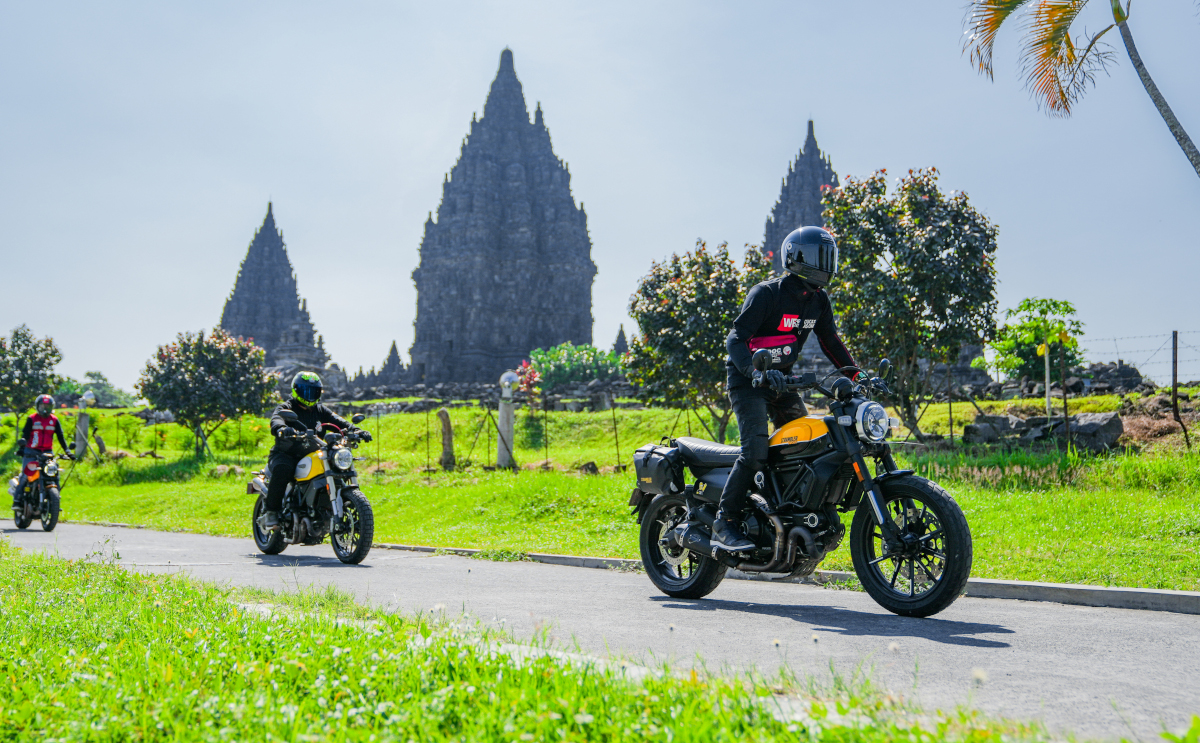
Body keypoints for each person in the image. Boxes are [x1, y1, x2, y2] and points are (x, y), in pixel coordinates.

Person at [713, 226, 859, 551]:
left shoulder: (818, 301)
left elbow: (830, 341)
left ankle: (786, 515)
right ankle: (725, 522)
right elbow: (736, 339)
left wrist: (856, 376)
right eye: (819, 257)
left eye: (829, 257)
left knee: (807, 446)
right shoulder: (766, 294)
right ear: (798, 258)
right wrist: (754, 371)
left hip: (783, 381)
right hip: (749, 382)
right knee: (755, 452)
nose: (825, 265)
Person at [258, 372, 369, 530]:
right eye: (305, 391)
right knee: (283, 469)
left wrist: (356, 430)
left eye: (313, 391)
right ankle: (271, 512)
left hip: (314, 454)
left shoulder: (321, 410)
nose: (309, 395)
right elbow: (276, 419)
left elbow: (338, 421)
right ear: (296, 390)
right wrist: (282, 428)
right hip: (286, 454)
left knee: (336, 465)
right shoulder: (286, 407)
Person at [12, 394, 71, 510]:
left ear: (52, 407)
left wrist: (67, 451)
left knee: (54, 474)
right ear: (37, 406)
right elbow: (25, 435)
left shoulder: (54, 420)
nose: (45, 409)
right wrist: (22, 449)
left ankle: (55, 501)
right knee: (26, 475)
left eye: (48, 406)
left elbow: (60, 436)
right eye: (42, 406)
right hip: (31, 452)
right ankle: (17, 501)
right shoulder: (32, 419)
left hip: (47, 453)